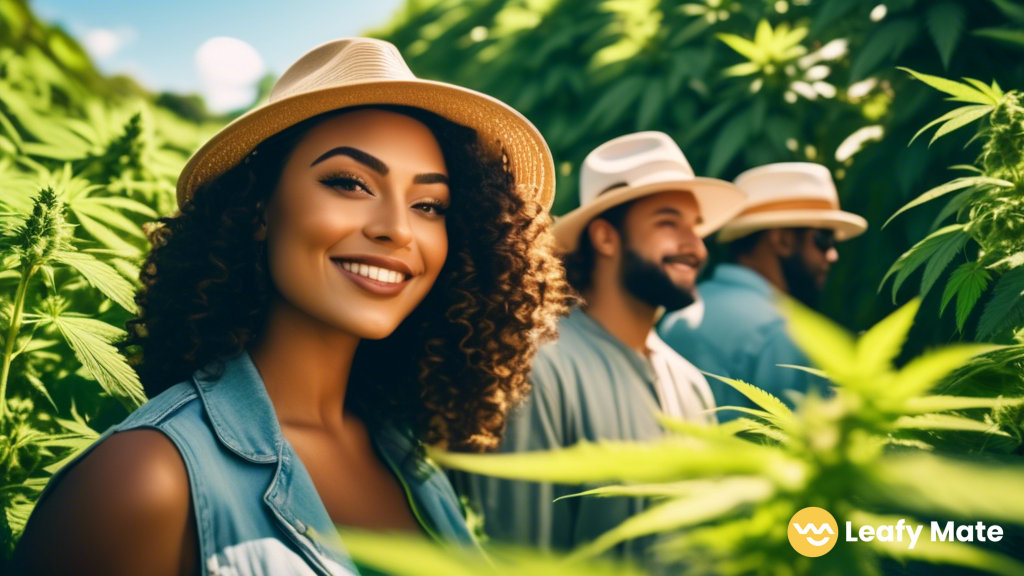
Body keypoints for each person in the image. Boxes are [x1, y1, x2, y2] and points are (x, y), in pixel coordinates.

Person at [10, 38, 573, 576]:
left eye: (429, 204)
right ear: (258, 209)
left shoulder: (409, 456)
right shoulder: (144, 480)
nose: (397, 229)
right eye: (350, 183)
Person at [454, 131, 748, 560]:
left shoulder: (692, 384)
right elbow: (523, 556)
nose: (695, 246)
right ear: (606, 237)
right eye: (669, 223)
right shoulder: (541, 371)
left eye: (696, 226)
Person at [659, 162, 867, 418]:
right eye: (823, 239)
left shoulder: (675, 314)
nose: (833, 255)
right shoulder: (786, 333)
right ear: (782, 240)